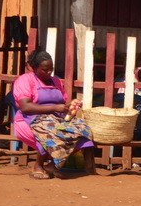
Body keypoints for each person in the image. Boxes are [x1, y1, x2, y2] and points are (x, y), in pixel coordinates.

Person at [13, 50, 94, 179]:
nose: (49, 73)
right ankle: (38, 165)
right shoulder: (25, 80)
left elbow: (63, 104)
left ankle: (52, 166)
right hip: (30, 119)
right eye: (45, 70)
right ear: (34, 68)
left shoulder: (56, 82)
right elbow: (25, 107)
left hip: (56, 119)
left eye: (51, 69)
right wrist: (55, 107)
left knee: (82, 129)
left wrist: (72, 105)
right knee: (51, 130)